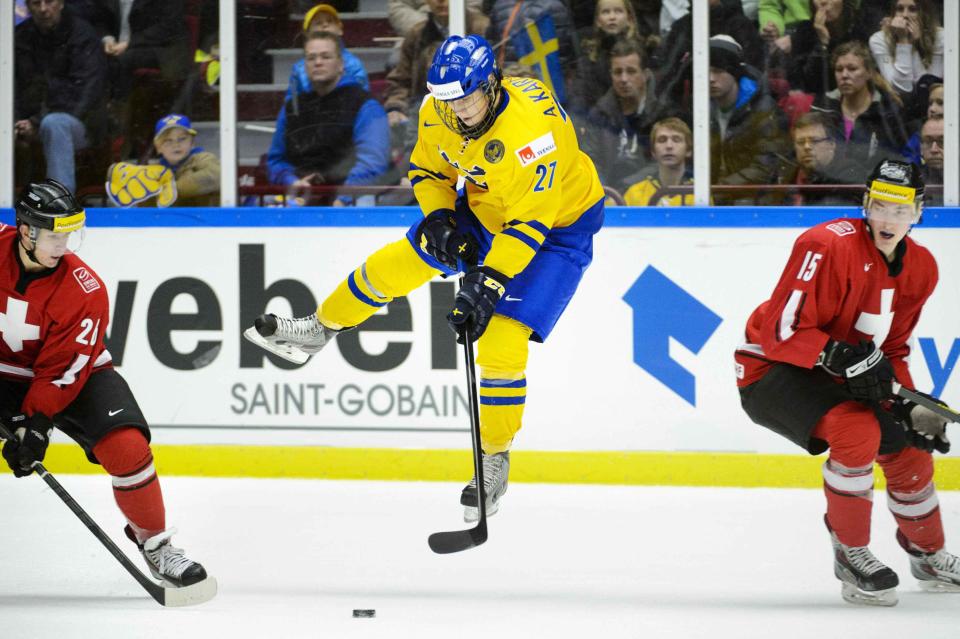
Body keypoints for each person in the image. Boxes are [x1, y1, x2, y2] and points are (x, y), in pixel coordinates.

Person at [245, 35, 605, 522]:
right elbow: (427, 170)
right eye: (447, 97)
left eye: (467, 97)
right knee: (403, 259)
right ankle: (320, 328)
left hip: (557, 227)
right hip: (486, 205)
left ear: (492, 85)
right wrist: (438, 217)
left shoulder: (531, 134)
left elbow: (529, 226)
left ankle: (493, 458)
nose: (457, 108)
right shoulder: (440, 109)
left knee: (500, 340)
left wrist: (487, 283)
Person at [734, 159, 960, 606]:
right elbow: (781, 331)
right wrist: (832, 354)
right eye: (880, 206)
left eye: (901, 210)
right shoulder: (825, 244)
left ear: (919, 212)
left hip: (842, 372)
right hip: (774, 369)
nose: (888, 219)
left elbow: (892, 350)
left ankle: (928, 554)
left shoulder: (923, 268)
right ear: (864, 204)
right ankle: (850, 551)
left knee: (908, 444)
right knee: (858, 430)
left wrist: (910, 403)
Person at [0, 180, 214, 592]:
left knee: (127, 447)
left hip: (72, 374)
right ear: (25, 231)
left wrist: (34, 425)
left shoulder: (85, 290)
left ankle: (154, 542)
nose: (64, 245)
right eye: (53, 235)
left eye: (69, 234)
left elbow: (62, 370)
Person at [266, 31, 390, 206]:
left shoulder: (366, 105)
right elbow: (276, 161)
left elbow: (372, 163)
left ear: (341, 64)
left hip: (349, 199)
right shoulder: (291, 108)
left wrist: (342, 199)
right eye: (311, 58)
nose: (318, 62)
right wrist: (291, 182)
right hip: (299, 196)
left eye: (326, 57)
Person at [14, 0, 107, 192]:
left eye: (49, 1)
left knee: (54, 124)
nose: (43, 9)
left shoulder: (82, 34)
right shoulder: (19, 36)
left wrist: (36, 122)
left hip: (81, 122)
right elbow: (12, 85)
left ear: (62, 3)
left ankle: (61, 203)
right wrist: (16, 121)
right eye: (35, 3)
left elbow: (85, 93)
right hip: (30, 120)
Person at [708, 34, 789, 204]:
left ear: (735, 73)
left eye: (718, 71)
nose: (710, 79)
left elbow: (766, 166)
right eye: (706, 71)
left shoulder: (763, 108)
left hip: (754, 201)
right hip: (713, 197)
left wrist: (718, 189)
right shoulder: (702, 109)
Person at [810, 41, 910, 178]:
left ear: (869, 73)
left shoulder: (888, 111)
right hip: (826, 186)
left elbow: (897, 159)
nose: (844, 75)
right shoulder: (822, 108)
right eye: (839, 70)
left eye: (852, 69)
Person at [383, 0, 488, 128]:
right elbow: (401, 80)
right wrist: (396, 108)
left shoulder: (483, 29)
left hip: (476, 107)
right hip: (423, 108)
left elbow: (499, 73)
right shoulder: (417, 34)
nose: (441, 1)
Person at [581, 38, 664, 193]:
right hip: (608, 199)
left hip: (651, 198)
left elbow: (663, 162)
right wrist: (604, 194)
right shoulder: (599, 114)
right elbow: (589, 160)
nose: (624, 79)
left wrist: (625, 188)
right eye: (618, 72)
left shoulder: (661, 111)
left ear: (645, 74)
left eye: (631, 71)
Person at [106, 114, 221, 208]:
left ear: (192, 143)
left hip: (205, 226)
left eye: (182, 139)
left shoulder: (203, 158)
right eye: (168, 141)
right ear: (158, 148)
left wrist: (173, 189)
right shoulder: (152, 171)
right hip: (168, 229)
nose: (176, 144)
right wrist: (145, 197)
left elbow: (217, 175)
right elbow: (151, 211)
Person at [567, 0, 643, 117]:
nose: (612, 17)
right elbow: (579, 100)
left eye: (618, 11)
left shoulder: (644, 52)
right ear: (598, 21)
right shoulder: (588, 60)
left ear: (630, 19)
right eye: (606, 12)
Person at [776, 111, 863, 206]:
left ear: (831, 144)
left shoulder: (850, 175)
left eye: (814, 141)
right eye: (800, 142)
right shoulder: (786, 174)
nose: (807, 147)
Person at [285, 3, 369, 101]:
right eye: (318, 23)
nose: (325, 25)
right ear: (307, 33)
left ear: (340, 29)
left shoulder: (353, 64)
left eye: (330, 21)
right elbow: (292, 103)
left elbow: (362, 98)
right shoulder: (299, 68)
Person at [867, 0, 943, 97]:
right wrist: (903, 41)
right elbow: (901, 88)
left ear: (924, 13)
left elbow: (927, 87)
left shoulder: (940, 37)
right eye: (900, 9)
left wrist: (915, 46)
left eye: (913, 9)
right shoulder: (879, 40)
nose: (905, 15)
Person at [622, 117, 695, 206]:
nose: (669, 146)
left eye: (676, 140)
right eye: (662, 140)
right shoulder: (636, 193)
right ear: (653, 151)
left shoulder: (698, 193)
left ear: (688, 150)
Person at [917, 117, 943, 206]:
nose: (934, 149)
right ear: (920, 147)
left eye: (942, 141)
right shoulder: (911, 180)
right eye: (928, 141)